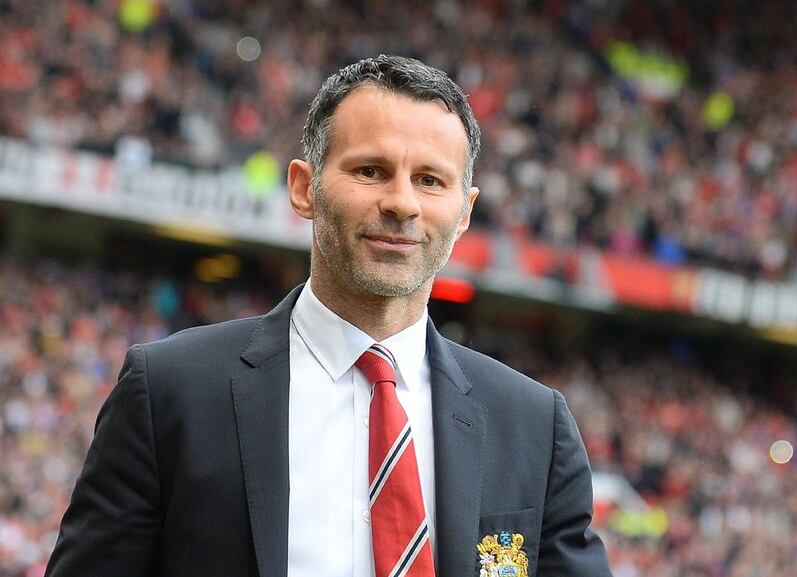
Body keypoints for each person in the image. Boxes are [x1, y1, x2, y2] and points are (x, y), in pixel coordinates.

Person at [45, 55, 611, 577]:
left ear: (464, 213)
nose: (402, 203)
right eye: (370, 171)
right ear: (304, 188)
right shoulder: (169, 393)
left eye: (430, 181)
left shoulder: (535, 427)